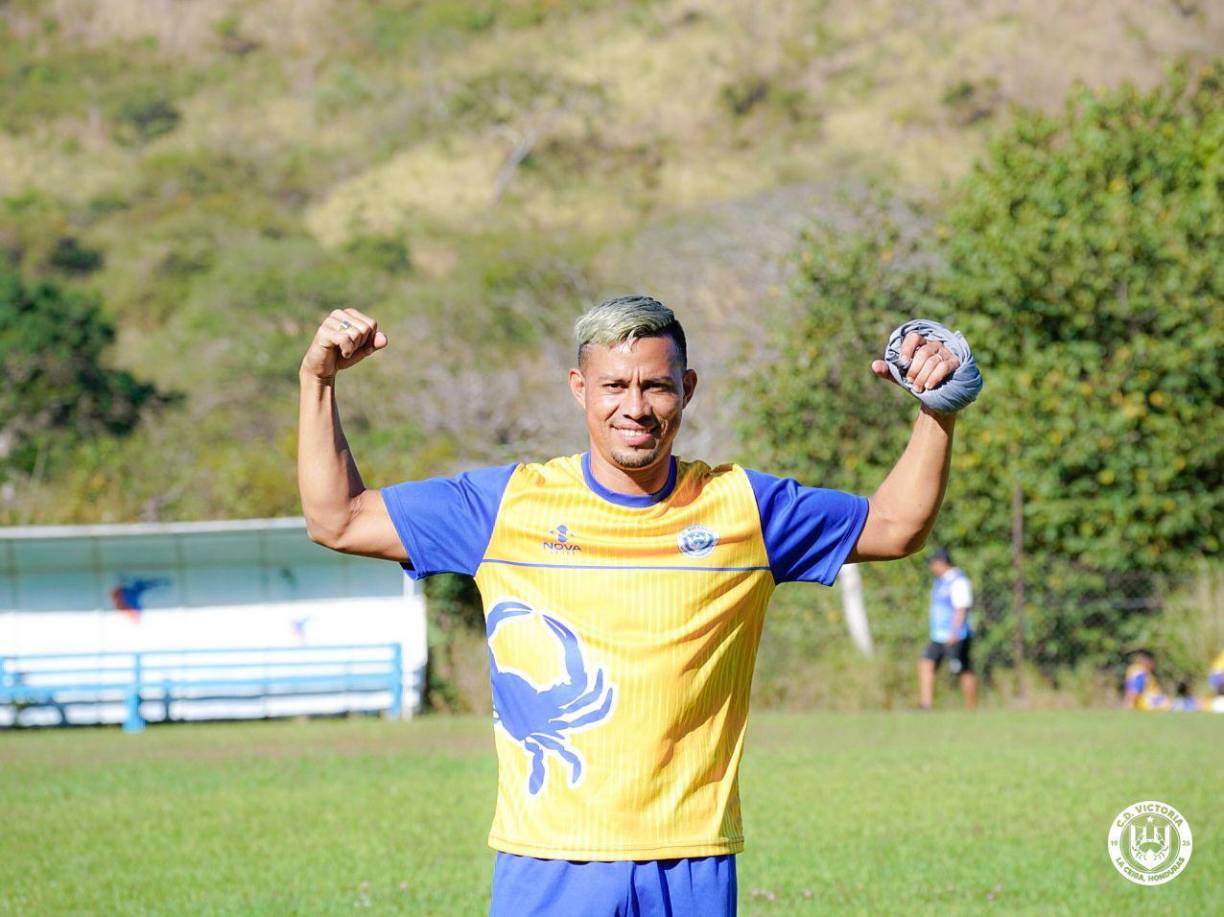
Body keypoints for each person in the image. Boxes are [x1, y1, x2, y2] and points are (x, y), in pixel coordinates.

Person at [297, 295, 972, 916]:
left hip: (691, 860)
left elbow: (893, 526)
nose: (636, 407)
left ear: (688, 388)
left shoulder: (745, 509)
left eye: (655, 384)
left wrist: (937, 412)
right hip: (549, 859)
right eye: (615, 385)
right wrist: (317, 382)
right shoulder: (506, 505)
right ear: (579, 389)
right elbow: (340, 519)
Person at [918, 547, 976, 710]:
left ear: (942, 563)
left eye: (933, 563)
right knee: (926, 664)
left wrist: (954, 632)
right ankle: (926, 705)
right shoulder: (940, 581)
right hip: (938, 636)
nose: (931, 567)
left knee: (963, 670)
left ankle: (971, 708)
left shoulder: (958, 581)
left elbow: (961, 608)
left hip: (956, 635)